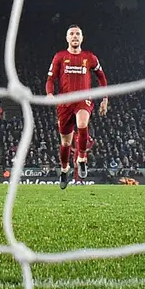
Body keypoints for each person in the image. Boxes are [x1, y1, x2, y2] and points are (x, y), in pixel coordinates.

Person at [45, 25, 109, 189]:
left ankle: (81, 159)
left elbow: (101, 78)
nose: (75, 36)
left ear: (82, 38)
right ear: (67, 38)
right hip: (65, 102)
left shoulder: (90, 57)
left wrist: (105, 98)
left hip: (83, 98)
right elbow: (50, 79)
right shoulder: (60, 57)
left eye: (78, 34)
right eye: (71, 34)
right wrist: (50, 94)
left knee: (82, 124)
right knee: (65, 143)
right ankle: (64, 169)